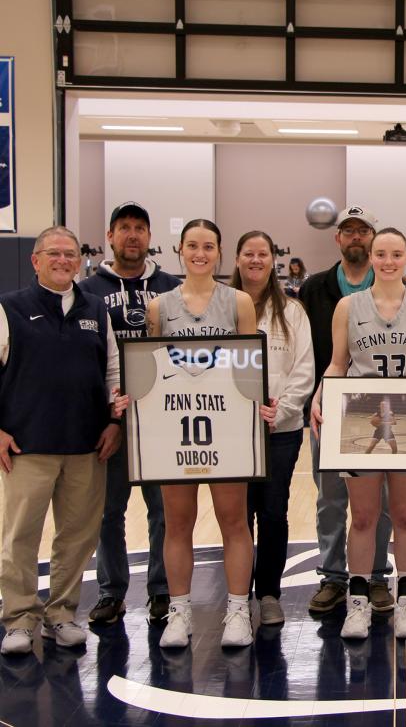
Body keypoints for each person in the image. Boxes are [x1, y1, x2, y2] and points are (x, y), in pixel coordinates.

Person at [311, 228, 406, 641]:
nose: (388, 261)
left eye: (396, 254)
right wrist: (320, 393)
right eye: (381, 254)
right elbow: (338, 364)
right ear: (371, 257)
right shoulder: (347, 306)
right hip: (359, 411)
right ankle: (357, 603)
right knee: (363, 517)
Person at [0, 226, 125, 655]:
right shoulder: (9, 307)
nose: (63, 260)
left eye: (70, 254)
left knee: (77, 536)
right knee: (20, 537)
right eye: (53, 253)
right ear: (35, 261)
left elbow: (113, 372)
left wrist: (114, 421)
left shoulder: (96, 310)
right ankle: (18, 619)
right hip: (26, 446)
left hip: (87, 445)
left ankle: (61, 615)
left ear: (80, 261)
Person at [145, 218, 258, 649]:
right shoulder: (160, 307)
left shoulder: (239, 302)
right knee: (177, 523)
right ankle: (179, 611)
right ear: (179, 250)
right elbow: (152, 370)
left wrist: (257, 405)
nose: (199, 253)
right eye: (192, 245)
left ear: (219, 252)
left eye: (208, 246)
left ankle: (236, 610)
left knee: (233, 520)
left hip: (226, 425)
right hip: (175, 427)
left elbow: (250, 367)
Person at [80, 202, 180, 627]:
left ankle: (160, 589)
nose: (133, 235)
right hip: (113, 419)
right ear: (110, 236)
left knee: (164, 511)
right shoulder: (88, 290)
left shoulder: (171, 287)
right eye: (125, 228)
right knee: (109, 511)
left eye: (140, 228)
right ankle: (111, 591)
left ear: (149, 235)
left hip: (163, 417)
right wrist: (109, 415)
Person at [298, 205, 394, 616]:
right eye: (348, 231)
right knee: (331, 497)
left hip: (385, 410)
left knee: (382, 501)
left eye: (362, 231)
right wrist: (311, 402)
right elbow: (307, 353)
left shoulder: (396, 287)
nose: (355, 237)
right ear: (337, 238)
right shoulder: (313, 289)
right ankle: (334, 576)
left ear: (372, 239)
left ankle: (374, 576)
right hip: (332, 411)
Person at [230, 230, 314, 626]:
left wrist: (279, 412)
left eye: (263, 254)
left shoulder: (293, 312)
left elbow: (304, 370)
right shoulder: (222, 307)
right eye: (249, 253)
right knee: (236, 514)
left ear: (273, 261)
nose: (256, 260)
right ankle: (237, 595)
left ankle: (268, 594)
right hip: (231, 431)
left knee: (273, 512)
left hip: (281, 430)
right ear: (237, 259)